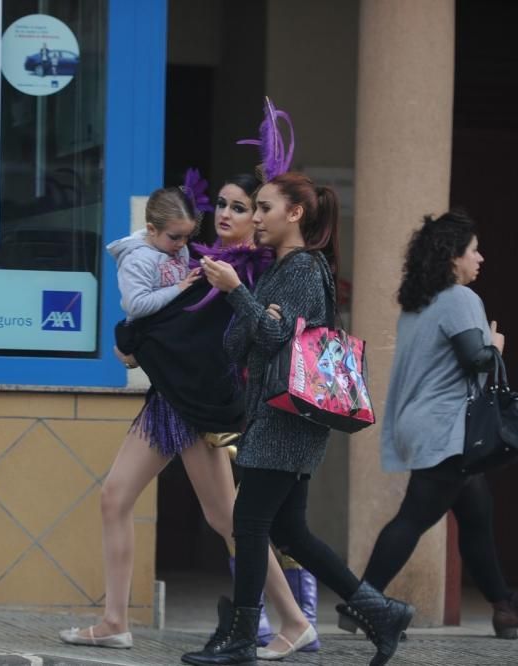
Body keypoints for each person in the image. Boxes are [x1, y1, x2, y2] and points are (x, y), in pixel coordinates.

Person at [59, 174, 314, 656]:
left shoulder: (250, 273)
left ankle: (295, 618)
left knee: (230, 519)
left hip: (198, 406)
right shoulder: (200, 261)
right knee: (120, 498)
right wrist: (135, 341)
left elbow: (198, 334)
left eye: (241, 208)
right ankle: (116, 619)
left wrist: (137, 342)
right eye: (221, 204)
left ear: (259, 218)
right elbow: (161, 310)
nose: (227, 214)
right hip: (171, 401)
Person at [181, 173, 413, 666]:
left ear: (295, 214)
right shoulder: (280, 269)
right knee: (290, 531)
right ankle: (382, 612)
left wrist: (235, 293)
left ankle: (244, 635)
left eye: (264, 209)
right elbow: (240, 343)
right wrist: (242, 303)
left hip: (287, 415)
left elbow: (271, 337)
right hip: (277, 412)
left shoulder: (303, 269)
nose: (255, 219)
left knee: (249, 521)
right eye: (255, 209)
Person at [359, 210, 518, 640]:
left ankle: (504, 606)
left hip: (424, 423)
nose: (480, 258)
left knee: (476, 514)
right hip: (445, 427)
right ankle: (363, 603)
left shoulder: (418, 304)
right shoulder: (459, 299)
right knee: (414, 517)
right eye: (473, 251)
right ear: (453, 257)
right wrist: (497, 345)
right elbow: (477, 358)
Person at [104, 186, 202, 324]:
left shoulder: (180, 249)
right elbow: (136, 305)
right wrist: (179, 288)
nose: (182, 243)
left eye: (187, 236)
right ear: (151, 229)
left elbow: (181, 284)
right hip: (145, 336)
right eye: (175, 237)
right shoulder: (137, 259)